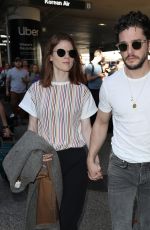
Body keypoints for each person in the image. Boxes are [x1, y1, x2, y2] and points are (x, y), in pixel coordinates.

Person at [19, 32, 97, 230]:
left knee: (70, 217)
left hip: (76, 159)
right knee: (48, 217)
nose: (67, 56)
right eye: (61, 51)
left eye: (71, 53)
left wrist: (93, 159)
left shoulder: (82, 91)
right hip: (47, 159)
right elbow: (32, 129)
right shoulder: (36, 90)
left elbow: (86, 128)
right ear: (50, 57)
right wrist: (35, 155)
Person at [87, 11, 150, 230]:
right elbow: (102, 122)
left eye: (136, 44)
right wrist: (92, 155)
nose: (129, 51)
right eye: (123, 46)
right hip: (121, 167)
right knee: (121, 226)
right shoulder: (110, 85)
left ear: (148, 44)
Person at [6, 57, 29, 122]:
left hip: (23, 91)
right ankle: (16, 116)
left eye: (19, 61)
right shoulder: (10, 71)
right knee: (13, 104)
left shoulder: (25, 71)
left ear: (21, 63)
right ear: (14, 63)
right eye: (16, 61)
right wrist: (7, 90)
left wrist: (25, 80)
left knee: (24, 105)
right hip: (14, 91)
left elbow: (28, 81)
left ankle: (21, 118)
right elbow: (7, 81)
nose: (18, 63)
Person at [85, 49, 105, 124]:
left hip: (100, 89)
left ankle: (98, 123)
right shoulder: (90, 66)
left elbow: (99, 77)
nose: (102, 57)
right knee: (93, 108)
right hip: (93, 90)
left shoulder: (99, 66)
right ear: (98, 56)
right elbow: (88, 78)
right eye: (101, 55)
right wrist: (98, 75)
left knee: (100, 107)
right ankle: (92, 124)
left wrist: (102, 77)